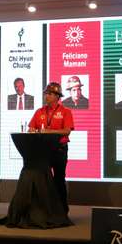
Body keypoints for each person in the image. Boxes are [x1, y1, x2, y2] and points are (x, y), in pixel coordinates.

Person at [28, 82, 74, 212]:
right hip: (43, 150)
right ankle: (45, 209)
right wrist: (32, 130)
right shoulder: (40, 111)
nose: (46, 96)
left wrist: (48, 131)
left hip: (59, 149)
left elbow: (67, 131)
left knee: (59, 179)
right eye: (45, 93)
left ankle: (63, 211)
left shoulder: (66, 112)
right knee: (43, 180)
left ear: (57, 96)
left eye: (49, 94)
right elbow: (32, 127)